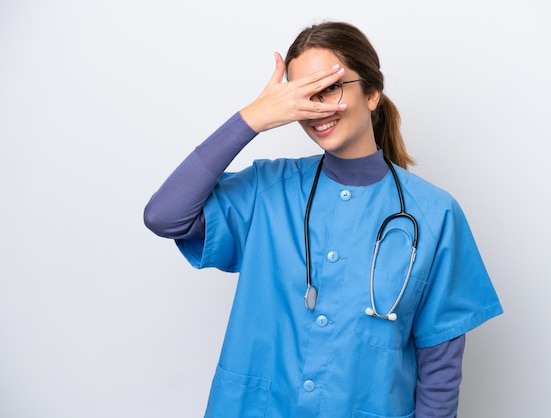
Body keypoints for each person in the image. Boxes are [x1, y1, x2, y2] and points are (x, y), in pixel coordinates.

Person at [144, 21, 502, 418]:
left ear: (372, 94)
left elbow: (440, 369)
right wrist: (251, 119)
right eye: (303, 94)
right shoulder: (267, 191)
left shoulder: (435, 215)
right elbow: (164, 216)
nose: (317, 107)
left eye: (330, 87)